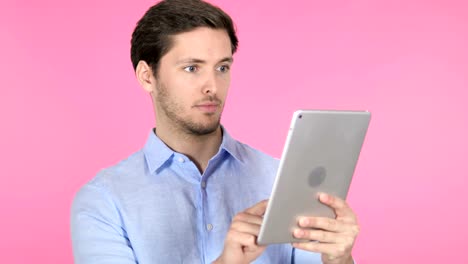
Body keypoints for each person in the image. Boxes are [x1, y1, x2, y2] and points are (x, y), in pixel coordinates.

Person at [70, 0, 360, 263]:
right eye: (191, 68)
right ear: (148, 76)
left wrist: (339, 258)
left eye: (222, 68)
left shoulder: (280, 180)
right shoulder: (103, 202)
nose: (212, 86)